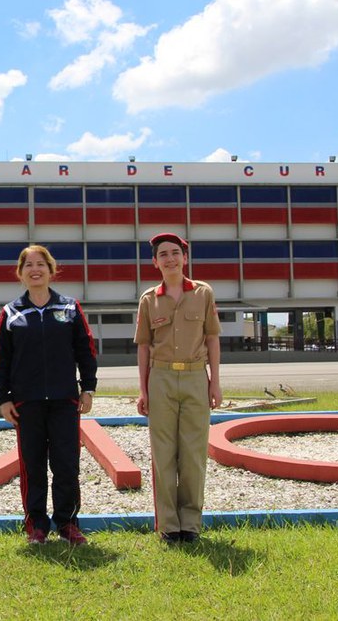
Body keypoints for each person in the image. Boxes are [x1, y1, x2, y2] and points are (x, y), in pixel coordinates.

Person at [0, 245, 97, 546]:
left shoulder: (70, 308)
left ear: (51, 270)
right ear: (20, 273)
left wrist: (88, 388)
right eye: (28, 265)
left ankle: (67, 523)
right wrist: (4, 398)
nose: (35, 269)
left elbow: (85, 351)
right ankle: (36, 526)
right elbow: (1, 360)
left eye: (41, 264)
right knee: (33, 466)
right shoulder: (11, 313)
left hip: (65, 401)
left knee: (66, 465)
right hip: (26, 403)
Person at [134, 232, 222, 545]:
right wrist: (143, 390)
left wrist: (215, 383)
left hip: (196, 377)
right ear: (155, 262)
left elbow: (212, 338)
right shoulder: (149, 299)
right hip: (161, 378)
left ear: (184, 258)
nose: (170, 259)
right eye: (163, 255)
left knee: (194, 454)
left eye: (175, 253)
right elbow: (144, 347)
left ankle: (191, 524)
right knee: (163, 454)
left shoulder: (203, 293)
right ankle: (169, 525)